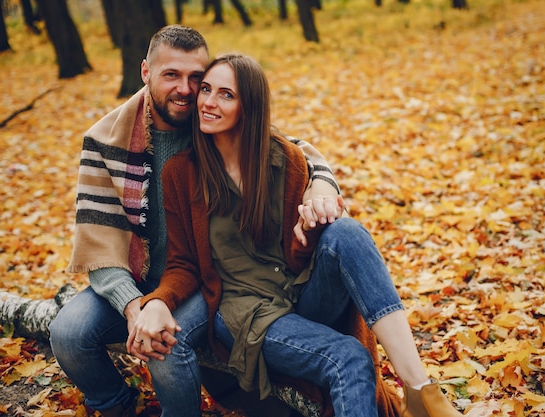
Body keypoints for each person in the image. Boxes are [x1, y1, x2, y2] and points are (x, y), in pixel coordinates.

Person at [129, 52, 464, 417]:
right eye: (206, 89)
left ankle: (420, 391)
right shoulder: (182, 172)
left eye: (226, 94)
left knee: (347, 232)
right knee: (349, 357)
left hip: (296, 291)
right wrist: (159, 300)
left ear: (249, 106)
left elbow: (298, 253)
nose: (208, 102)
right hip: (244, 310)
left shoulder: (285, 160)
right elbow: (182, 262)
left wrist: (309, 229)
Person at [49, 26, 341, 417]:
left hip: (203, 275)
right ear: (145, 72)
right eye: (171, 75)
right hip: (136, 279)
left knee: (168, 343)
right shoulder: (106, 140)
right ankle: (116, 404)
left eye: (196, 78)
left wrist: (320, 185)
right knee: (67, 333)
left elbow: (294, 150)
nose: (185, 90)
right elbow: (99, 245)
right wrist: (136, 307)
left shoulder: (209, 120)